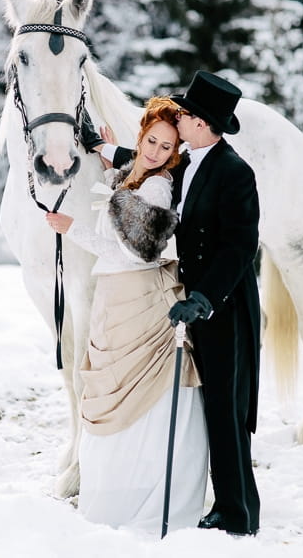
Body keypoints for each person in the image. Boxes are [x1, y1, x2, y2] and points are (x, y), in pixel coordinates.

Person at [89, 71, 261, 537]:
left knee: (227, 407)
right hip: (195, 300)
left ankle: (236, 514)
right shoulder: (191, 161)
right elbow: (148, 163)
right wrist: (106, 151)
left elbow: (240, 248)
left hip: (224, 304)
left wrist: (205, 299)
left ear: (201, 123)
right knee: (211, 404)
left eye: (184, 115)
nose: (178, 119)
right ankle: (233, 501)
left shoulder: (233, 171)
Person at [46, 98, 209, 533]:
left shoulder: (156, 187)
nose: (155, 151)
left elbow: (137, 250)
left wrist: (73, 228)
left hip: (138, 297)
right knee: (110, 385)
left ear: (175, 152)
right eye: (150, 141)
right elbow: (122, 205)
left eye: (166, 146)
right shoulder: (135, 177)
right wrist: (110, 163)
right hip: (113, 298)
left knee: (139, 393)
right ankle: (115, 488)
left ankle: (145, 492)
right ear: (140, 139)